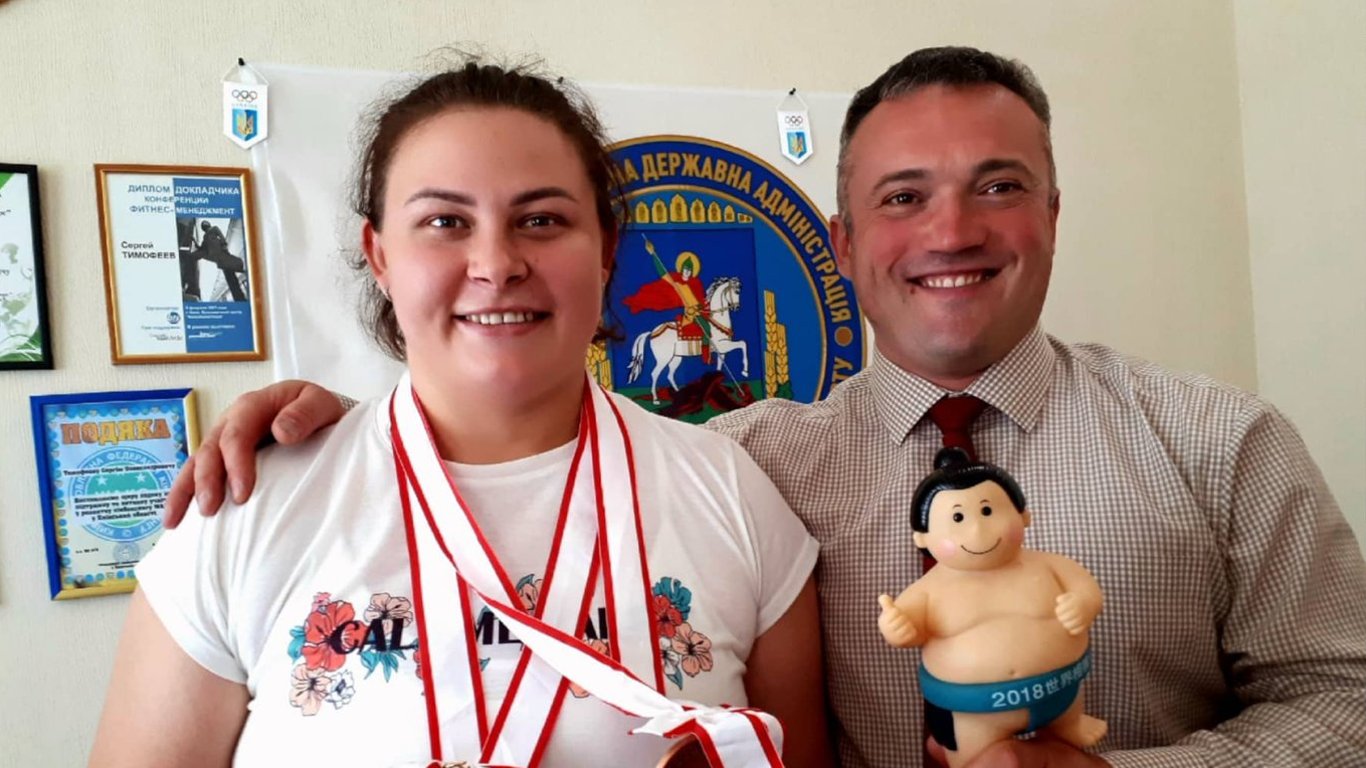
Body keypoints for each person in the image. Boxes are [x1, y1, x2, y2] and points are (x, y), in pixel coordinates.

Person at [163, 47, 1366, 767]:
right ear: (840, 241)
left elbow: (1345, 705)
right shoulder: (753, 464)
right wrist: (341, 431)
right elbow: (510, 440)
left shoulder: (1218, 442)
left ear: (1051, 214)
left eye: (998, 186)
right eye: (903, 196)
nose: (950, 231)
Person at [92, 61, 831, 768]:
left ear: (606, 249)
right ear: (379, 255)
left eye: (541, 219)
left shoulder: (731, 493)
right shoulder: (246, 509)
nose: (497, 263)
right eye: (445, 221)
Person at [878, 447, 1106, 767]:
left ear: (1023, 516)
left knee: (1067, 722)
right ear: (922, 538)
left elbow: (1086, 588)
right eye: (958, 518)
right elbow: (907, 625)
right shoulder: (929, 590)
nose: (977, 530)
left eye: (987, 511)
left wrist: (1082, 603)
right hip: (975, 712)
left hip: (1062, 689)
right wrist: (897, 628)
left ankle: (1070, 724)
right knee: (978, 759)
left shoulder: (1048, 565)